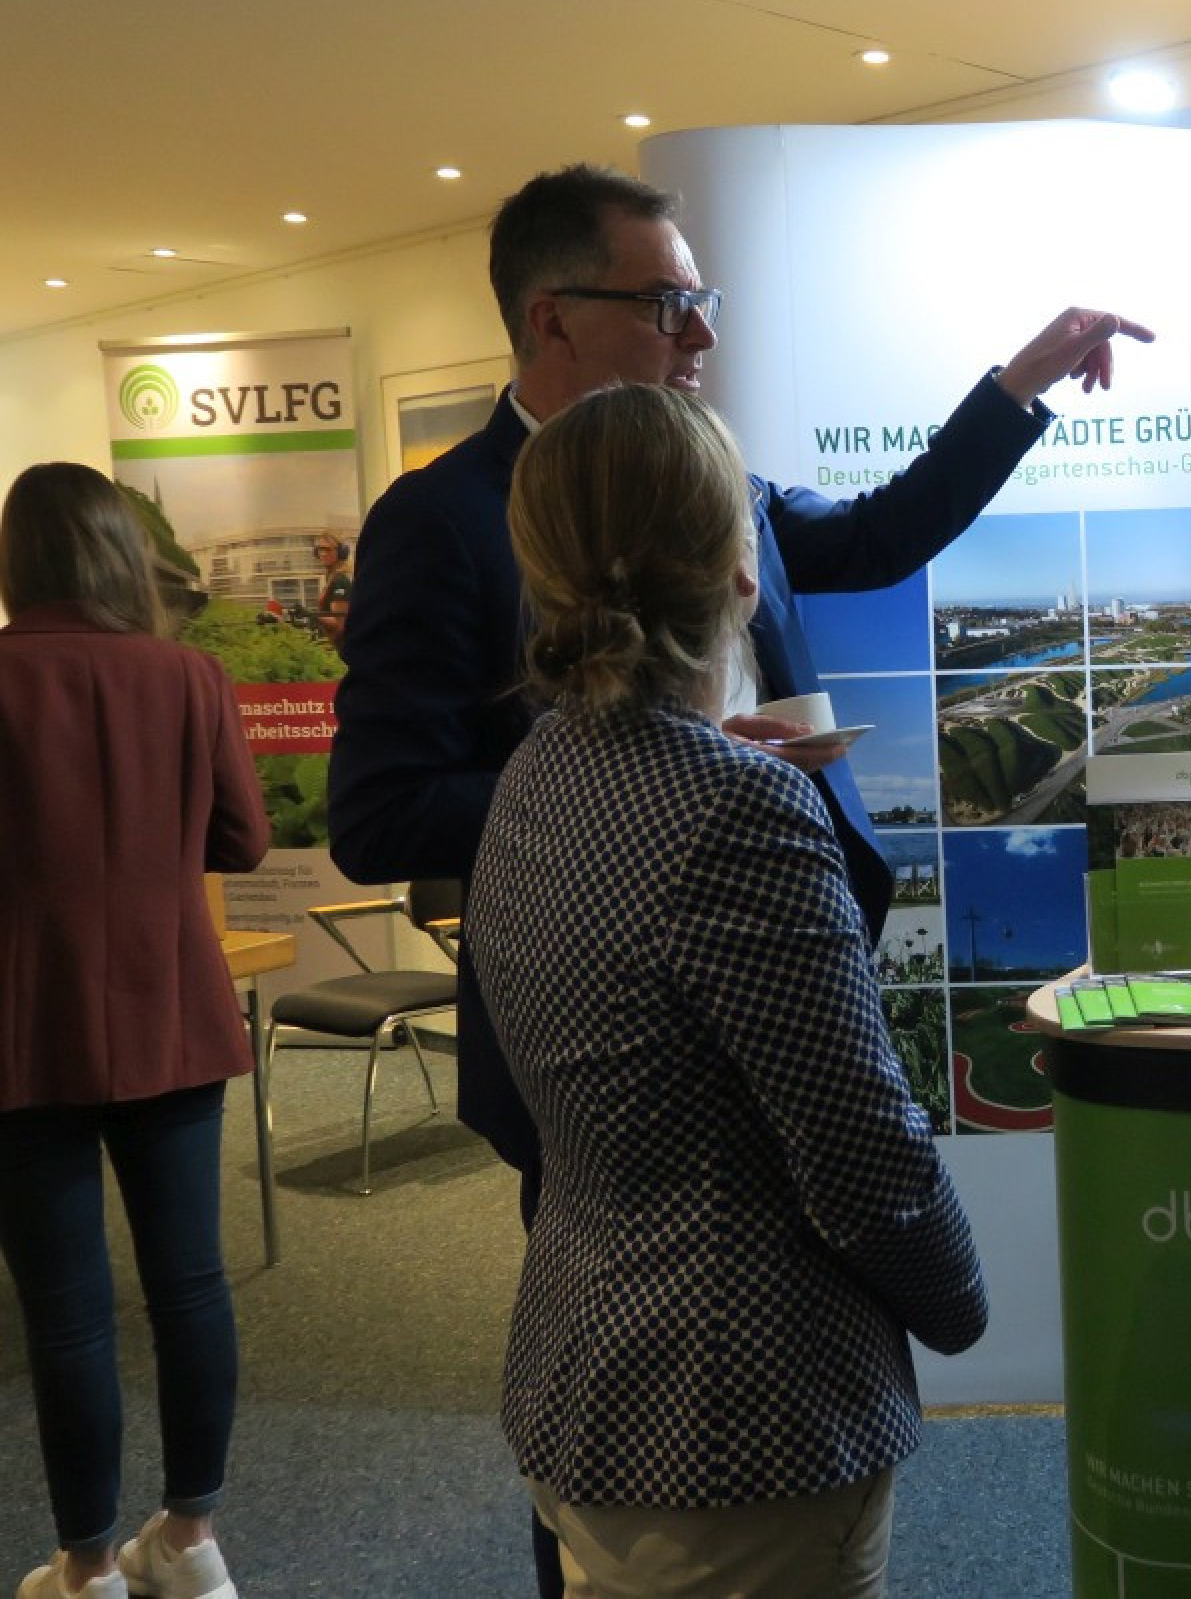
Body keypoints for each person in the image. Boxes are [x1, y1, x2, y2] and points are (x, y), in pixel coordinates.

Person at [326, 161, 1144, 1592]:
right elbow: (379, 809)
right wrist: (661, 776)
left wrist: (1016, 388)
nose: (701, 332)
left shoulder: (720, 475)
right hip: (602, 1046)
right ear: (550, 317)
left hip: (775, 955)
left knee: (699, 1356)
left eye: (702, 300)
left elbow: (878, 534)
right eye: (667, 303)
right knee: (638, 1353)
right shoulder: (445, 520)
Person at [470, 381, 987, 1596]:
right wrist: (962, 1304)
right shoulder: (737, 805)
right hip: (741, 1420)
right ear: (742, 574)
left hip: (582, 1379)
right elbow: (863, 1157)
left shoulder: (538, 766)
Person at [0, 464, 271, 1599]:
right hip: (175, 1010)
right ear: (121, 552)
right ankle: (192, 1541)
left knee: (67, 1315)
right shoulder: (190, 676)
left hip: (24, 1028)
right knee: (192, 1286)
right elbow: (243, 842)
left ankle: (88, 1569)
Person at [308, 531, 351, 649]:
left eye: (327, 549)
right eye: (319, 549)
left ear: (341, 552)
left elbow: (339, 625)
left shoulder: (340, 581)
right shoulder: (331, 579)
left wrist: (311, 616)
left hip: (337, 650)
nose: (323, 553)